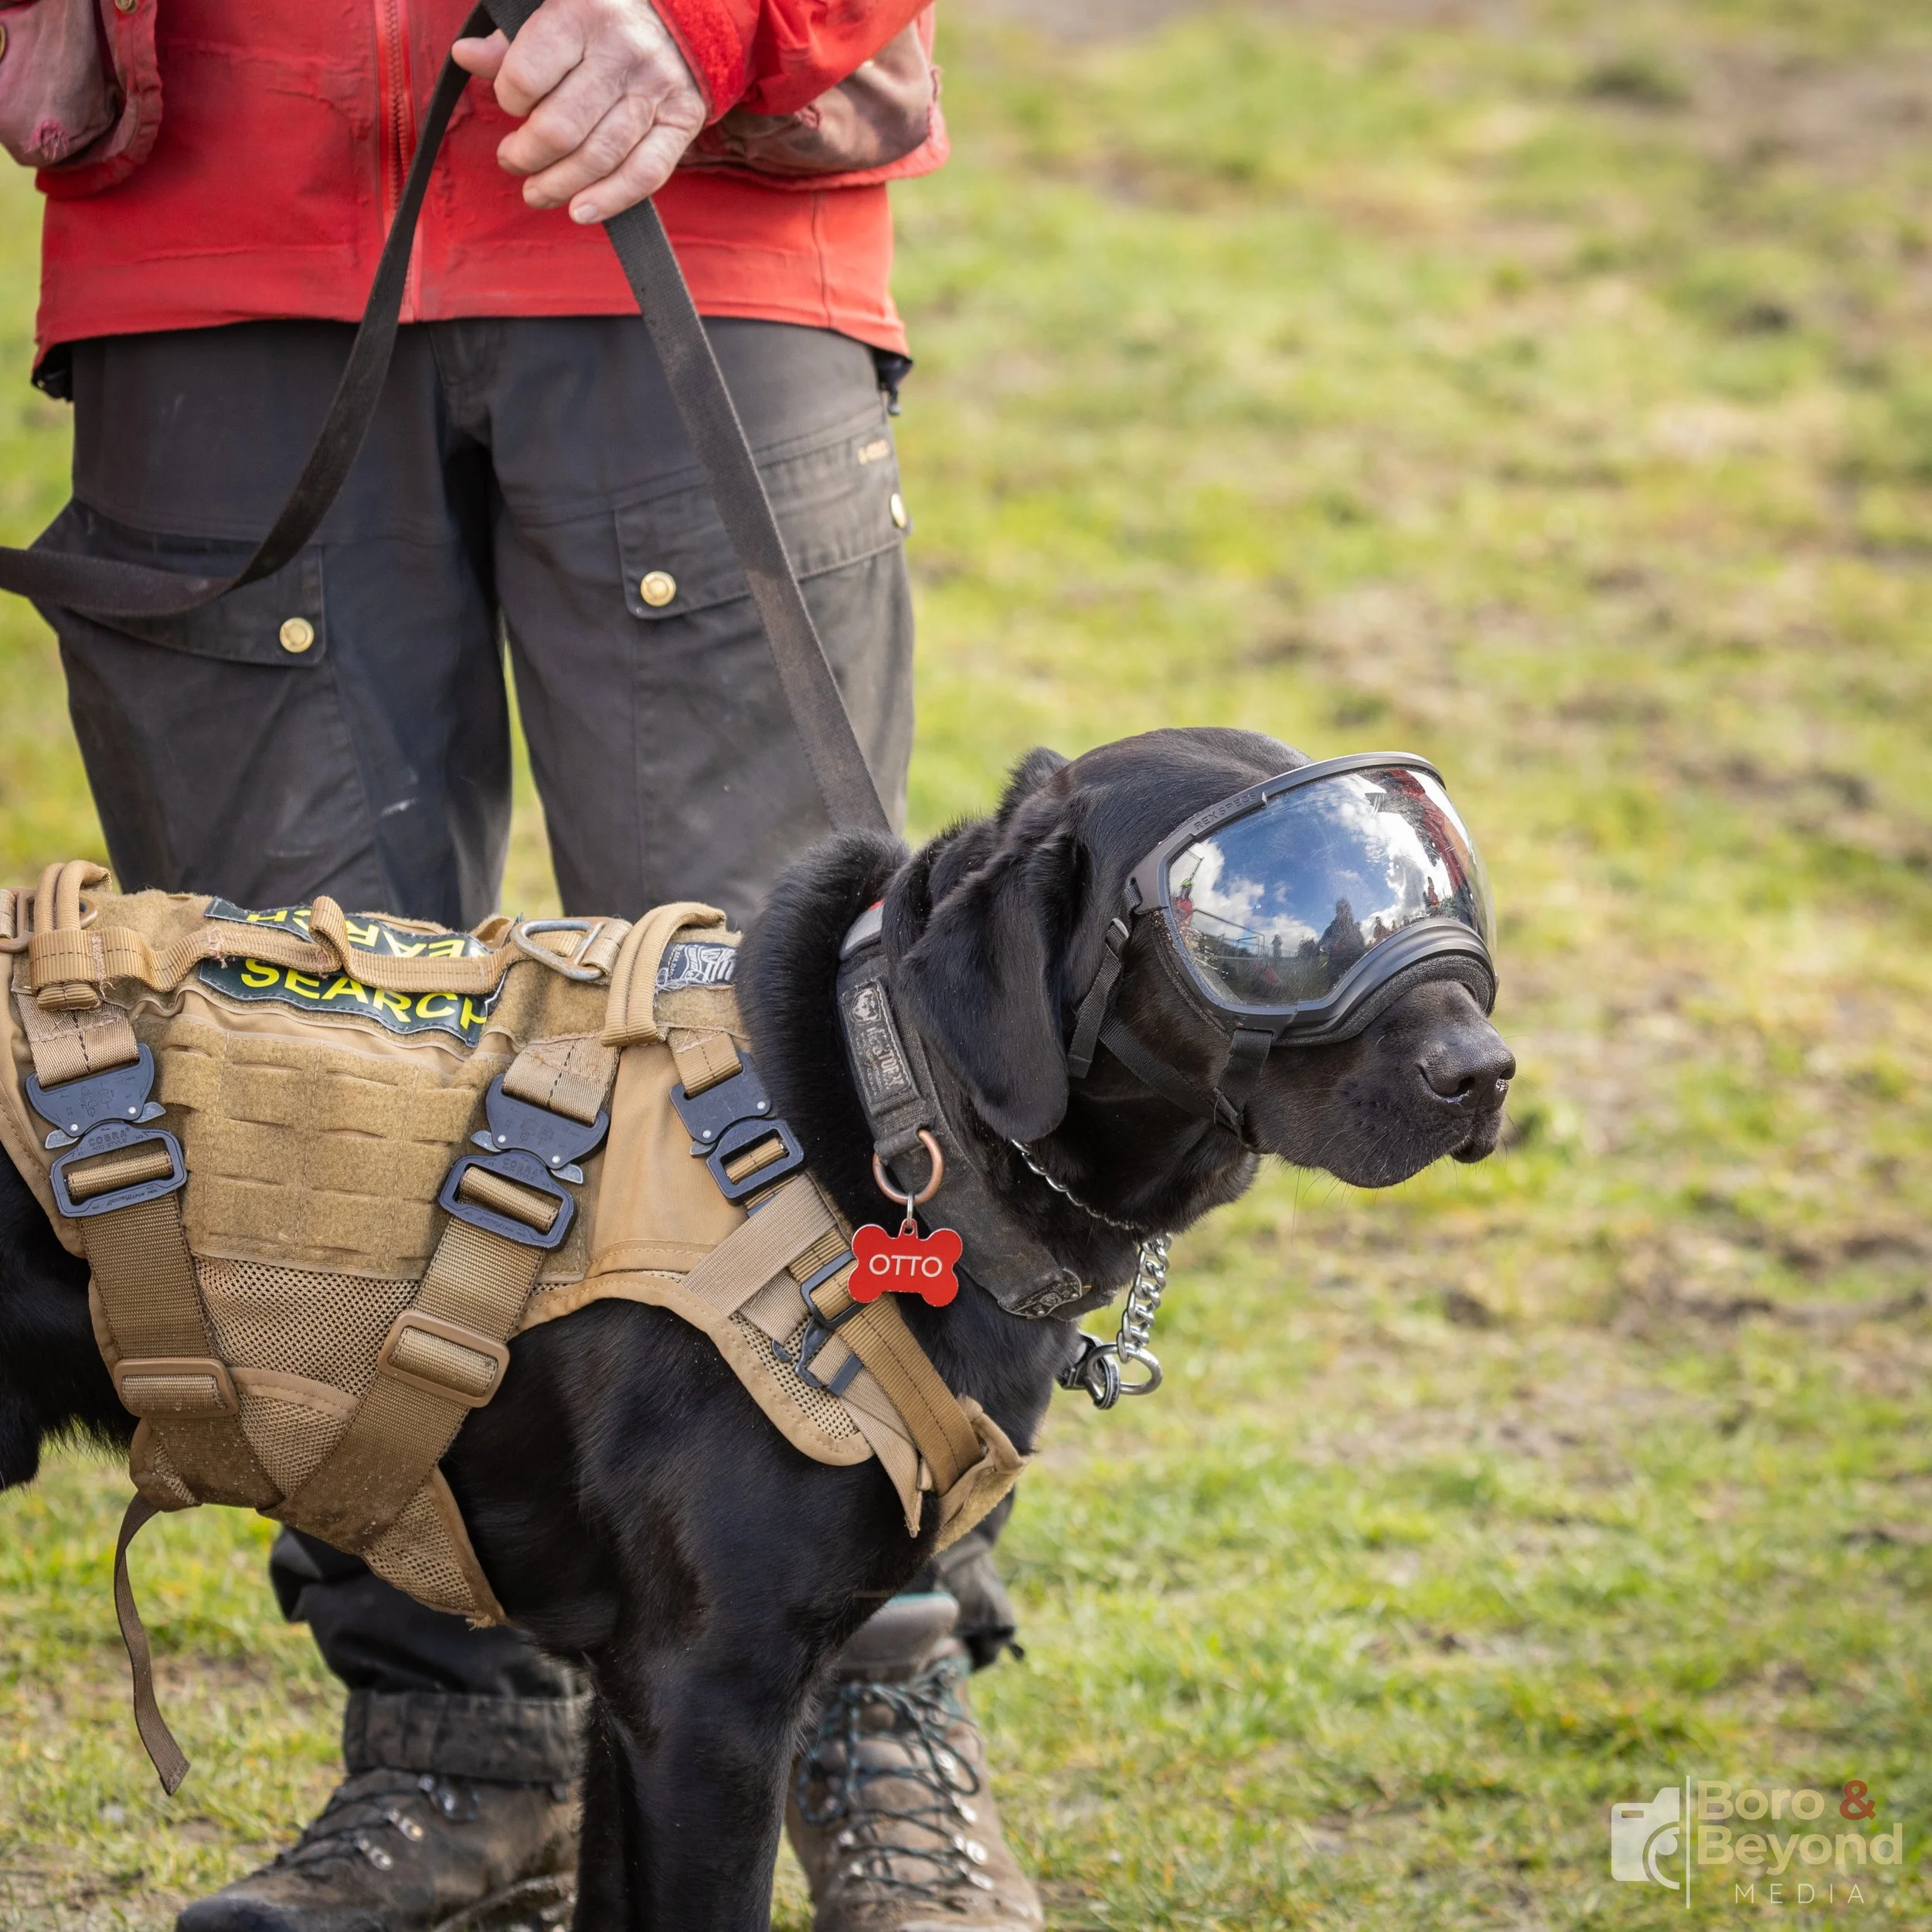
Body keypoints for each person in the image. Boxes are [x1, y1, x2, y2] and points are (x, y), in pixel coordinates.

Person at [9, 3, 1039, 1927]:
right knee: (294, 1111)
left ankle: (866, 1711)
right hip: (211, 217)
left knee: (791, 1068)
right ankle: (451, 1744)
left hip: (701, 189)